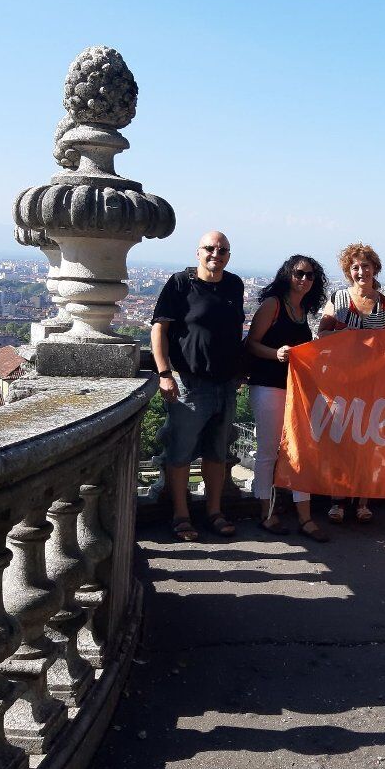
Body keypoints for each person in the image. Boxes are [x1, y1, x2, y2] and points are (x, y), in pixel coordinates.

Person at [150, 231, 245, 541]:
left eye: (223, 250)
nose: (216, 253)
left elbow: (233, 331)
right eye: (210, 248)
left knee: (218, 453)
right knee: (180, 453)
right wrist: (164, 372)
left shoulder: (234, 285)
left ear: (229, 256)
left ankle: (214, 511)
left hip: (226, 383)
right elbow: (159, 329)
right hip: (190, 384)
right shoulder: (180, 283)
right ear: (198, 252)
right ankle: (181, 514)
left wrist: (240, 370)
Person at [246, 254, 329, 541]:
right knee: (268, 451)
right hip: (268, 385)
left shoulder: (302, 308)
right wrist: (276, 354)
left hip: (295, 389)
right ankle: (267, 513)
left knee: (298, 450)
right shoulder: (274, 305)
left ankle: (304, 517)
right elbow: (250, 344)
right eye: (299, 274)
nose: (304, 280)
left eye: (310, 276)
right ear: (287, 275)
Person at [318, 242, 385, 525]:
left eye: (365, 265)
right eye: (355, 267)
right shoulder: (338, 298)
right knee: (340, 439)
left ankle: (363, 500)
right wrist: (347, 337)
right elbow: (322, 335)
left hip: (373, 383)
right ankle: (338, 500)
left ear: (375, 268)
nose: (361, 271)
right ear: (348, 272)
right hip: (341, 381)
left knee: (367, 442)